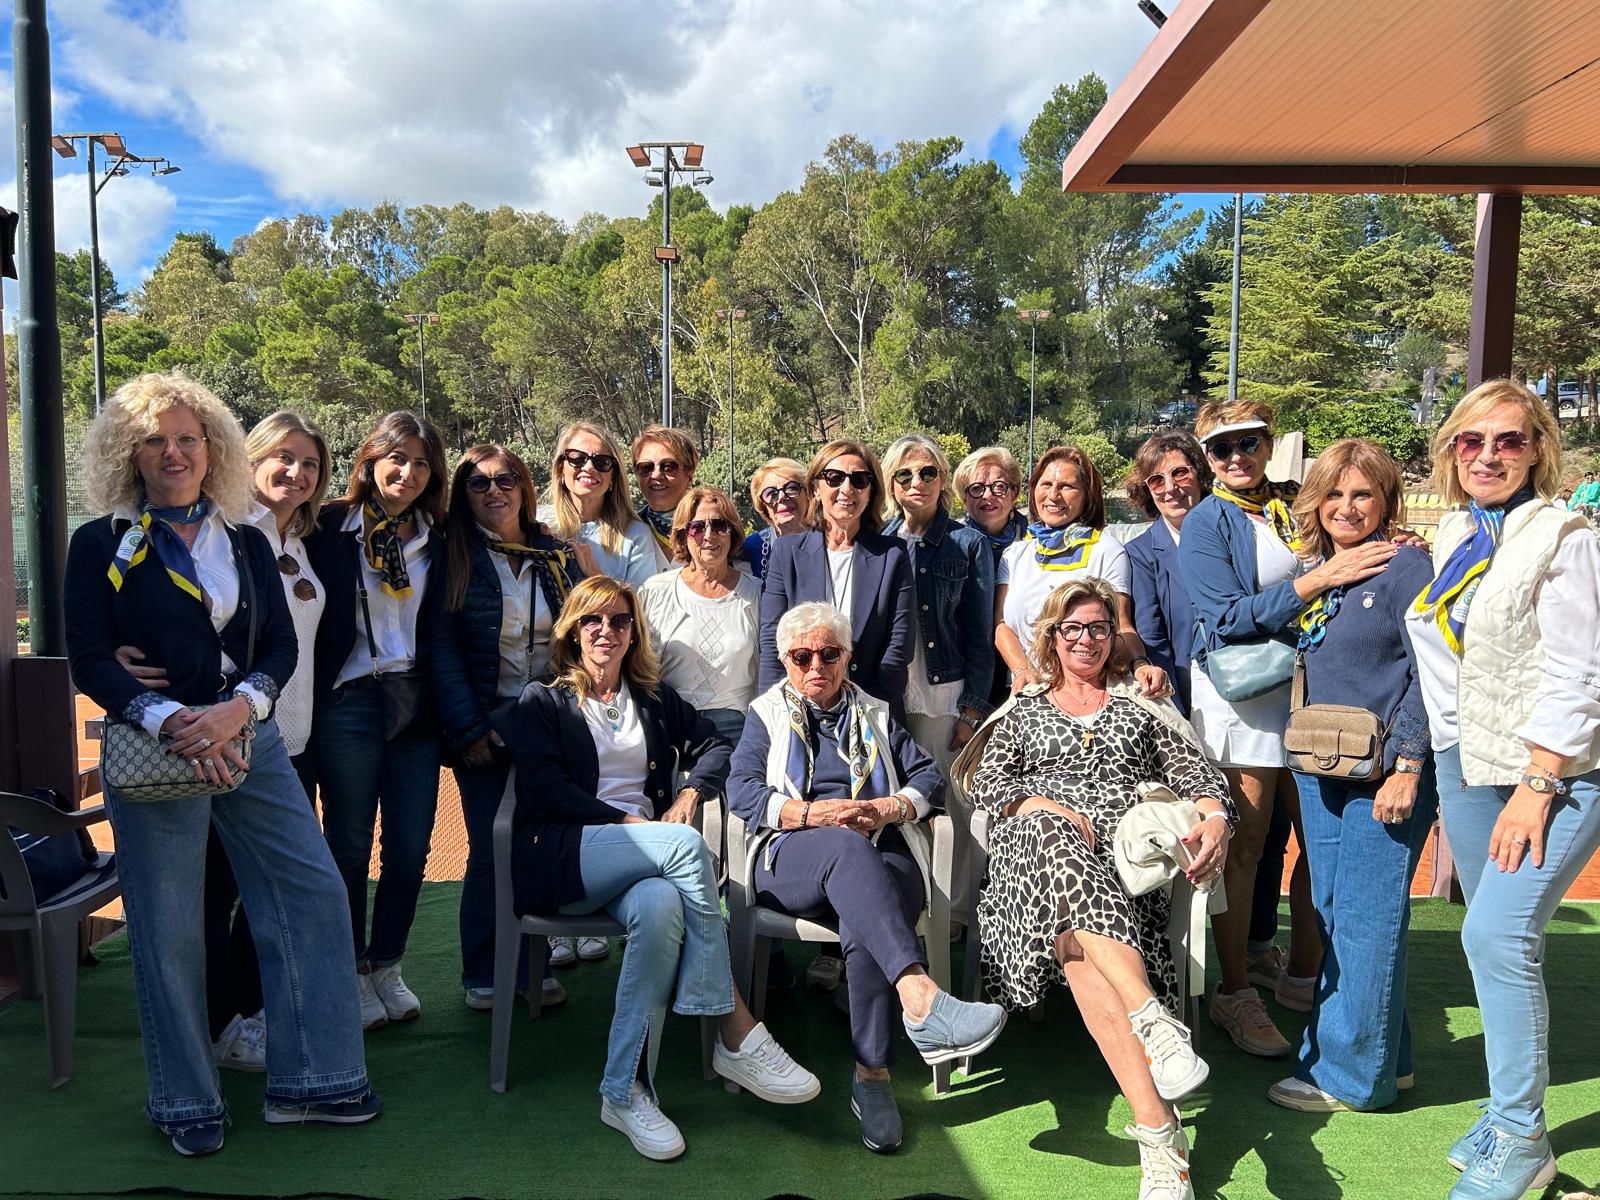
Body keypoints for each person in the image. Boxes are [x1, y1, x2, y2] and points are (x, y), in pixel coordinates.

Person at [64, 372, 378, 1157]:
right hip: (157, 744)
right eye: (155, 440)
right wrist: (169, 717)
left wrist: (243, 709)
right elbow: (90, 657)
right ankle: (183, 1101)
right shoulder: (100, 540)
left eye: (187, 439)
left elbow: (278, 642)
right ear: (129, 453)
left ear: (212, 451)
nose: (172, 453)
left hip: (250, 736)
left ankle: (314, 1082)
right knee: (168, 927)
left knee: (311, 891)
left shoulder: (241, 536)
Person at [510, 577, 821, 1162]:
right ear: (573, 631)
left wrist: (689, 795)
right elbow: (543, 789)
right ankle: (732, 1025)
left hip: (644, 862)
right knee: (682, 847)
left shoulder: (650, 699)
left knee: (660, 906)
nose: (607, 630)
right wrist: (630, 824)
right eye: (593, 620)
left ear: (634, 633)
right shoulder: (543, 698)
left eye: (620, 621)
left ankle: (625, 1090)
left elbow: (716, 747)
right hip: (564, 856)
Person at [967, 578, 1233, 1200]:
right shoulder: (1026, 710)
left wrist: (1216, 816)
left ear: (1113, 639)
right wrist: (1039, 802)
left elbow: (1198, 774)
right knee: (1050, 834)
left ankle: (1159, 1132)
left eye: (1097, 628)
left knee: (1079, 948)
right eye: (1072, 628)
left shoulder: (1140, 710)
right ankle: (1153, 1022)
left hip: (1118, 876)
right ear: (1052, 637)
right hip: (1027, 871)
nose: (1085, 639)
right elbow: (983, 783)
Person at [1403, 381, 1600, 1200]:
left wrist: (1538, 783)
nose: (1488, 456)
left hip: (1552, 774)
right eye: (1471, 441)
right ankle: (1504, 1108)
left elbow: (1582, 671)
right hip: (1468, 764)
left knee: (1493, 937)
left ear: (1538, 450)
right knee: (1499, 948)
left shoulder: (1564, 536)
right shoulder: (1454, 531)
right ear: (1451, 450)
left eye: (1509, 442)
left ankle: (1523, 1140)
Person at [727, 601, 1007, 1155]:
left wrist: (888, 808)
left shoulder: (875, 713)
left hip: (878, 845)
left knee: (870, 895)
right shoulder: (766, 714)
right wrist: (815, 815)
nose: (816, 666)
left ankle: (871, 1076)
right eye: (802, 656)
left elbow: (927, 776)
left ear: (847, 657)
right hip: (794, 853)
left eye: (829, 653)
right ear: (785, 660)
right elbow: (743, 791)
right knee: (849, 852)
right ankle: (922, 997)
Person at [113, 409, 335, 1074]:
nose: (296, 473)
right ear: (249, 456)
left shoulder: (308, 538)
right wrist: (124, 662)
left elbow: (290, 643)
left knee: (270, 888)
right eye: (283, 457)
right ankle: (216, 1029)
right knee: (209, 890)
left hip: (288, 739)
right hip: (210, 736)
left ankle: (251, 1016)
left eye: (311, 464)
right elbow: (117, 621)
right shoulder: (213, 534)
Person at [1177, 399, 1393, 1058]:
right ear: (1207, 457)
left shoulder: (1298, 504)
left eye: (1249, 443)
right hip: (1244, 698)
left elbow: (1357, 539)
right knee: (1245, 846)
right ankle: (1234, 991)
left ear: (1269, 444)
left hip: (1314, 691)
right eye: (1222, 448)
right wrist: (1321, 578)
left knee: (1318, 837)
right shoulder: (1205, 524)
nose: (1237, 457)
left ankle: (1304, 973)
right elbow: (1228, 617)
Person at [1265, 439, 1437, 1115]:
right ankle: (1389, 1061)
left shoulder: (1409, 567)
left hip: (1384, 771)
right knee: (1337, 912)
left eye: (1362, 494)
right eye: (1333, 494)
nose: (1346, 507)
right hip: (1319, 764)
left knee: (1366, 919)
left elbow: (1430, 674)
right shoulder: (1320, 567)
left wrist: (1409, 764)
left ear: (1387, 499)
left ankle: (1347, 1078)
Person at [428, 443, 585, 1010]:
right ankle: (484, 971)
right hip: (485, 726)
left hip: (548, 725)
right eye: (478, 483)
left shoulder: (554, 553)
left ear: (524, 487)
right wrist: (470, 730)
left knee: (539, 844)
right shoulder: (454, 556)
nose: (494, 491)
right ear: (463, 494)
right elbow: (441, 650)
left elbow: (575, 641)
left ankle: (533, 965)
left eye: (505, 480)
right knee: (490, 849)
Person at [309, 411, 448, 1031]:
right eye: (397, 459)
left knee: (411, 844)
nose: (408, 473)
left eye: (421, 463)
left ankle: (385, 964)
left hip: (414, 702)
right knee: (348, 843)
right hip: (348, 700)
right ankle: (346, 967)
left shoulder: (436, 537)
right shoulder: (330, 527)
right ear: (369, 461)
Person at [881, 434, 995, 935]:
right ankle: (915, 907)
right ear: (891, 483)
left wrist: (973, 709)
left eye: (927, 472)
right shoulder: (879, 540)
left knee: (956, 806)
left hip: (946, 695)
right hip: (889, 698)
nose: (917, 483)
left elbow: (981, 633)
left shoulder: (968, 543)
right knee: (900, 805)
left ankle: (957, 917)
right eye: (905, 475)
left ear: (943, 478)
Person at [994, 444, 1167, 699]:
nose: (1053, 495)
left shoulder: (1106, 550)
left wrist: (1140, 664)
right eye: (1045, 484)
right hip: (1029, 694)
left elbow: (1121, 625)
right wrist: (1022, 671)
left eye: (1067, 486)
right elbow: (1001, 625)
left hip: (1090, 694)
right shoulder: (1015, 555)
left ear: (1088, 496)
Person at [758, 440, 913, 715]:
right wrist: (774, 710)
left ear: (870, 492)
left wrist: (864, 705)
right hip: (801, 708)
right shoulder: (787, 553)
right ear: (816, 489)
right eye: (834, 478)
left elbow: (899, 645)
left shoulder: (893, 555)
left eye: (859, 480)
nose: (846, 489)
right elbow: (773, 640)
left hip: (872, 707)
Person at [638, 486, 760, 746]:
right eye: (696, 527)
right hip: (671, 724)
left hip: (737, 729)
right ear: (683, 535)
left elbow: (767, 672)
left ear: (732, 532)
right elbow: (640, 669)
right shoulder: (655, 591)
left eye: (719, 525)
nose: (708, 536)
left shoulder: (756, 594)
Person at [1124, 430, 1212, 716]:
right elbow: (1152, 639)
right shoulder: (1141, 553)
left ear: (1200, 475)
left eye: (1181, 474)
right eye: (1157, 481)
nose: (1170, 488)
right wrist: (1177, 713)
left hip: (1251, 687)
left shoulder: (1234, 533)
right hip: (1188, 696)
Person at [954, 445, 1027, 714]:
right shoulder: (952, 545)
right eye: (976, 488)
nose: (988, 496)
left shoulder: (1035, 543)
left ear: (1015, 493)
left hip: (1024, 676)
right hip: (964, 681)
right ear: (963, 497)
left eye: (998, 487)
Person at [548, 421, 656, 587]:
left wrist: (594, 574)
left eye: (602, 462)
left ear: (613, 477)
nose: (589, 467)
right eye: (577, 458)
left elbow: (641, 606)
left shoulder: (635, 536)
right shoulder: (536, 524)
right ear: (560, 469)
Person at [631, 425, 700, 572]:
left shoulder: (715, 527)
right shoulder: (625, 533)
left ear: (689, 473)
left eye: (668, 466)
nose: (656, 475)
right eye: (646, 467)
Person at [743, 457, 812, 580]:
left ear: (808, 493)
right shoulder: (750, 548)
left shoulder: (829, 541)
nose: (781, 497)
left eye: (791, 488)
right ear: (763, 505)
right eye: (771, 493)